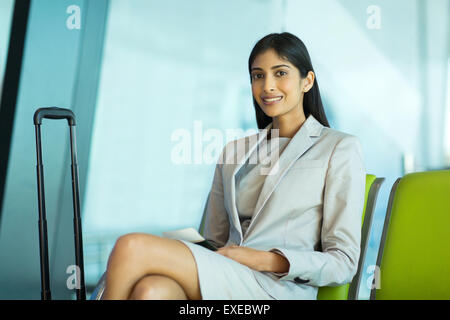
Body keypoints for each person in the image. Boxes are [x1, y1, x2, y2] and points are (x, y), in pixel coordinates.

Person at [102, 32, 366, 300]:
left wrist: (263, 259)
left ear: (307, 81)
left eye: (280, 73)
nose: (268, 86)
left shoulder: (339, 148)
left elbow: (343, 261)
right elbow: (212, 239)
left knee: (131, 246)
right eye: (258, 75)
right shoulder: (234, 152)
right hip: (227, 274)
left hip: (277, 288)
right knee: (151, 291)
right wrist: (206, 247)